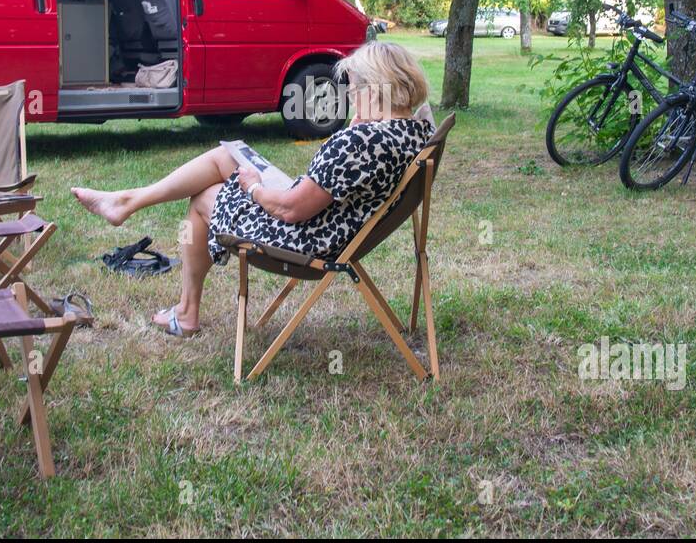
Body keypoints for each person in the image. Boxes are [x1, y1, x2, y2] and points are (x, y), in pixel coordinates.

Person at [72, 41, 435, 336]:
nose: (351, 96)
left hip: (302, 238)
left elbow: (292, 210)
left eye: (355, 88)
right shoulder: (411, 132)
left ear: (376, 88)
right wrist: (359, 124)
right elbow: (341, 180)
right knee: (222, 157)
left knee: (202, 198)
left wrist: (256, 188)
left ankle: (185, 312)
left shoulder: (361, 141)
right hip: (327, 224)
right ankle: (127, 202)